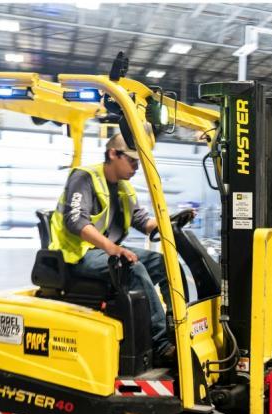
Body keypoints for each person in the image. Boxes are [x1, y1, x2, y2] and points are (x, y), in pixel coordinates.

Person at [48, 130, 186, 364]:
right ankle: (162, 345)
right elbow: (76, 221)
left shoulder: (124, 188)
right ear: (113, 153)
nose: (136, 167)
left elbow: (143, 223)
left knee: (165, 265)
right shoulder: (85, 177)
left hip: (103, 253)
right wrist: (113, 249)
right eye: (132, 160)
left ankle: (177, 328)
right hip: (78, 256)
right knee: (133, 268)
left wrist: (170, 223)